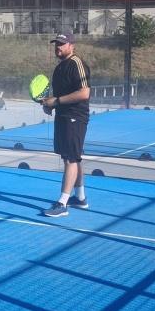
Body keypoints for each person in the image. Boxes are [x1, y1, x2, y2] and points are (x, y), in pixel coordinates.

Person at [40, 33, 93, 218]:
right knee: (72, 157)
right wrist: (50, 105)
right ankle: (80, 198)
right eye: (56, 44)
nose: (58, 47)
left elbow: (84, 93)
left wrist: (57, 101)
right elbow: (58, 97)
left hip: (75, 117)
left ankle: (62, 203)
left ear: (72, 45)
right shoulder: (59, 67)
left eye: (62, 44)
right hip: (63, 116)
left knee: (71, 159)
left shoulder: (77, 64)